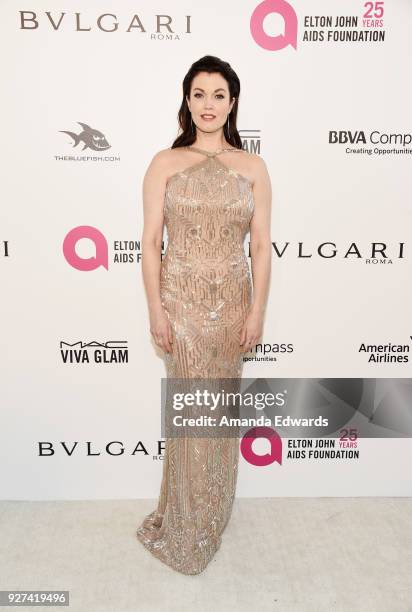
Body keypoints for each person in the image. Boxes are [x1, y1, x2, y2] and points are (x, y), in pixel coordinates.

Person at [136, 55, 272, 575]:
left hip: (233, 303)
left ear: (232, 103)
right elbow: (150, 244)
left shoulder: (253, 167)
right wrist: (157, 309)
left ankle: (211, 513)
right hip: (182, 304)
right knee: (193, 415)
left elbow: (260, 246)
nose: (208, 104)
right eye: (199, 93)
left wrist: (257, 311)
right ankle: (185, 522)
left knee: (219, 416)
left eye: (219, 94)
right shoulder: (164, 163)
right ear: (186, 100)